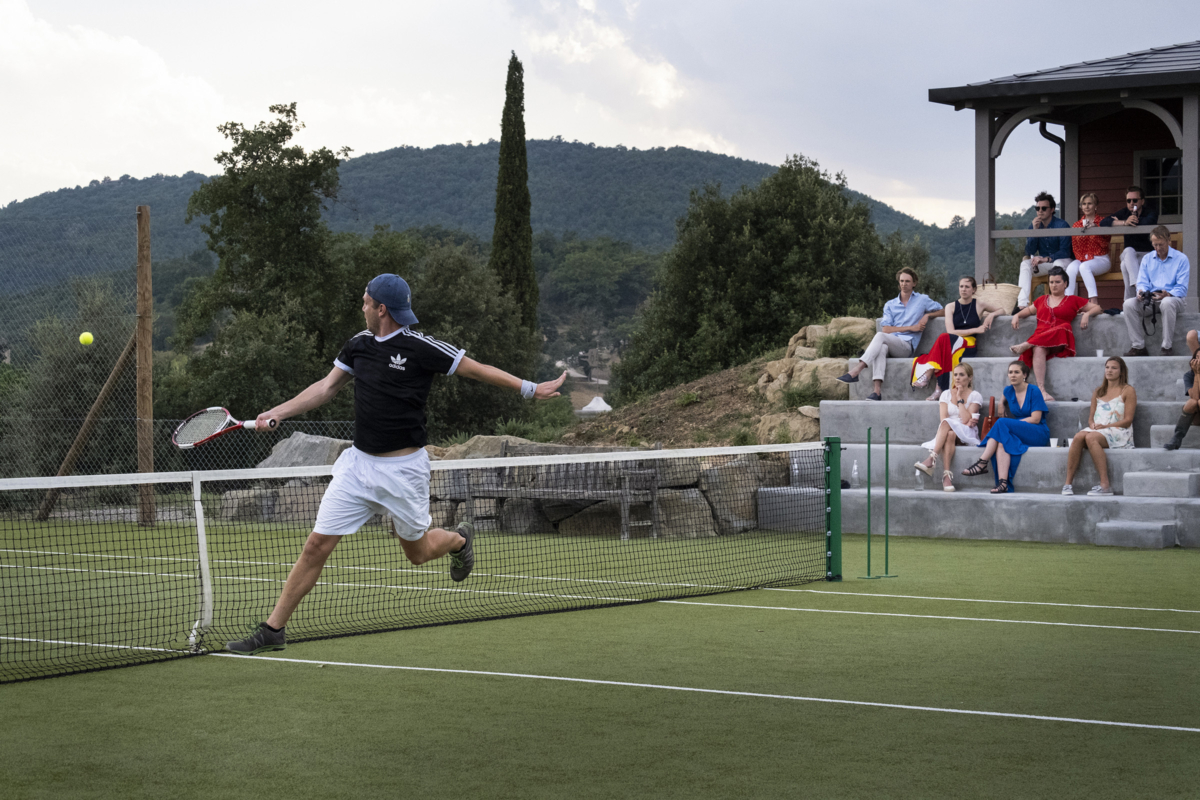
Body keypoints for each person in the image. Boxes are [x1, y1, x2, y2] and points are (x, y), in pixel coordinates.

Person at [225, 274, 568, 655]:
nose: (362, 307)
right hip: (357, 467)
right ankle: (273, 630)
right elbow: (325, 387)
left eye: (366, 301)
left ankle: (459, 539)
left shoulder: (420, 347)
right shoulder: (358, 345)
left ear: (381, 309)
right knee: (316, 546)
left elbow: (475, 368)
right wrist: (278, 412)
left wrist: (530, 388)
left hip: (404, 471)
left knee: (418, 555)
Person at [836, 267, 943, 401]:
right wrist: (912, 327)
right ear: (898, 283)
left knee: (880, 337)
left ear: (914, 283)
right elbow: (886, 329)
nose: (904, 284)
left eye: (907, 281)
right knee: (881, 347)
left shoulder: (922, 300)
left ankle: (857, 369)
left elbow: (943, 311)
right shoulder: (890, 305)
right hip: (890, 342)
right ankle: (877, 392)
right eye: (901, 281)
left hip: (906, 346)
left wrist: (928, 315)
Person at [1008, 266, 1102, 401]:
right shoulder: (1041, 300)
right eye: (1051, 282)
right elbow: (1028, 311)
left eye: (1057, 282)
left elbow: (1098, 308)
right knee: (1038, 348)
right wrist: (1016, 316)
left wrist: (1087, 314)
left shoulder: (1073, 300)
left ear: (1065, 284)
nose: (1053, 285)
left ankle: (1027, 344)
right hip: (1040, 339)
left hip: (1060, 338)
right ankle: (1041, 390)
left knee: (1063, 326)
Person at [962, 361, 1049, 494]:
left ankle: (982, 462)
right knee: (1002, 443)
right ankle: (1003, 483)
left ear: (1024, 375)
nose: (1012, 375)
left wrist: (1014, 424)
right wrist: (1001, 404)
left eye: (1016, 372)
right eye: (1010, 372)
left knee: (1002, 423)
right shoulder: (1008, 391)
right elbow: (1004, 396)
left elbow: (1036, 418)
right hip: (1019, 431)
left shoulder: (1034, 390)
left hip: (1037, 432)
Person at [910, 276, 1003, 401]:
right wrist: (976, 329)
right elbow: (951, 331)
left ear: (974, 290)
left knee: (945, 341)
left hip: (968, 344)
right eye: (961, 286)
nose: (963, 289)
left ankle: (934, 381)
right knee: (946, 341)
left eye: (967, 287)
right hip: (953, 342)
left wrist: (991, 315)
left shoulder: (979, 304)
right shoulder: (951, 306)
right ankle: (938, 388)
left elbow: (1002, 309)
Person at [1062, 357, 1136, 496]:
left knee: (1091, 438)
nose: (1109, 370)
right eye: (1107, 367)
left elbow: (1127, 420)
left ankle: (1105, 485)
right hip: (1099, 429)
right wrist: (1093, 425)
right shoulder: (1099, 391)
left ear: (1121, 371)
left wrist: (1106, 426)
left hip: (1119, 430)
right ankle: (1068, 484)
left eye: (1114, 368)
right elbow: (1091, 418)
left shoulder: (1128, 390)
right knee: (1078, 437)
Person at [1123, 227, 1191, 357]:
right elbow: (1142, 281)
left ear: (1169, 241)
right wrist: (1141, 292)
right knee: (1128, 304)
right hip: (1152, 299)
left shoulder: (1181, 259)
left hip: (1174, 299)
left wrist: (1168, 294)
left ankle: (1167, 347)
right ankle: (1138, 346)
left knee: (1167, 302)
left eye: (1161, 244)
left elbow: (1182, 288)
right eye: (1155, 245)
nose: (1158, 248)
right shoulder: (1147, 259)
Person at [915, 363, 982, 492]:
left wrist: (959, 398)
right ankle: (946, 476)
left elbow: (967, 419)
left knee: (947, 424)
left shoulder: (975, 395)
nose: (957, 378)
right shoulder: (945, 394)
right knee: (949, 432)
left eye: (961, 375)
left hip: (966, 432)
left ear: (970, 378)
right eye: (955, 374)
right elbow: (943, 418)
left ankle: (932, 458)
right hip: (949, 429)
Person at [1098, 185, 1158, 300]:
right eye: (1128, 200)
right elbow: (1104, 222)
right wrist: (1124, 222)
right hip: (1130, 255)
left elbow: (1148, 222)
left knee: (1124, 265)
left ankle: (1128, 304)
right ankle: (1139, 287)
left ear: (1142, 201)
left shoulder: (1150, 212)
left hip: (1146, 255)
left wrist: (1132, 220)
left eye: (1135, 200)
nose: (1131, 203)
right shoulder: (1125, 213)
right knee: (1129, 250)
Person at [1017, 191, 1073, 310]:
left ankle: (1060, 303)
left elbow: (1066, 251)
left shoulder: (1062, 225)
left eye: (1044, 208)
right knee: (1025, 264)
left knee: (1057, 265)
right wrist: (1034, 233)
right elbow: (1029, 250)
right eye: (1037, 208)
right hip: (1045, 263)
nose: (1040, 211)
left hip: (1063, 261)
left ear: (1052, 209)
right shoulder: (1034, 225)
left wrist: (1047, 258)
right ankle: (1022, 305)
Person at [1065, 193, 1111, 305]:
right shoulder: (1076, 225)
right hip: (1082, 258)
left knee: (1084, 267)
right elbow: (1075, 247)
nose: (1086, 206)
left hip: (1101, 259)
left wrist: (1097, 231)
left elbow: (1105, 245)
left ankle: (1093, 300)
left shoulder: (1102, 222)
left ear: (1095, 206)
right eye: (1084, 204)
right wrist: (1084, 257)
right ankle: (1068, 301)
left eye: (1089, 203)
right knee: (1070, 268)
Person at [1163, 348, 1200, 451]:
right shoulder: (1189, 375)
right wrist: (1197, 374)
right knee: (1192, 402)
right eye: (1197, 357)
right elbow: (1195, 398)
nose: (1199, 360)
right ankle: (1176, 438)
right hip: (1197, 415)